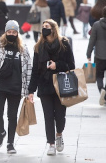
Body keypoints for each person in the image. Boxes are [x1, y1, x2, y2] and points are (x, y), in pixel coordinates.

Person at [28, 19, 75, 156]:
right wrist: (31, 91)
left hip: (61, 85)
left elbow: (71, 65)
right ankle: (51, 144)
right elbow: (35, 70)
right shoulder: (39, 46)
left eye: (47, 26)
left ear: (53, 29)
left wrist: (57, 65)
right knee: (48, 116)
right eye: (43, 27)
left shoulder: (64, 44)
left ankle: (59, 134)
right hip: (44, 85)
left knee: (60, 116)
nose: (44, 29)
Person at [0, 20, 32, 154]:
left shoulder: (23, 48)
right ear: (5, 32)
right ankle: (1, 132)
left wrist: (29, 90)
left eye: (14, 32)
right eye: (9, 32)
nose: (11, 34)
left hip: (16, 87)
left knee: (12, 116)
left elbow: (28, 68)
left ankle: (10, 143)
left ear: (17, 33)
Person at [86, 6, 106, 107]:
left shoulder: (96, 25)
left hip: (99, 55)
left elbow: (92, 40)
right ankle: (105, 98)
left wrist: (88, 54)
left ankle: (101, 89)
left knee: (99, 76)